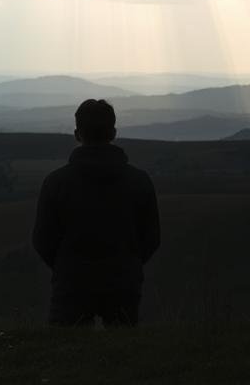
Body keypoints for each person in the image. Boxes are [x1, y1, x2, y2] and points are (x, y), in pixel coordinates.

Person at [32, 98, 161, 327]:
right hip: (123, 280)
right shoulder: (139, 181)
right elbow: (151, 238)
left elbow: (42, 240)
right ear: (113, 132)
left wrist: (66, 266)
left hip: (72, 283)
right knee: (126, 353)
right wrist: (129, 263)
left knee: (67, 354)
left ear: (77, 134)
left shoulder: (56, 183)